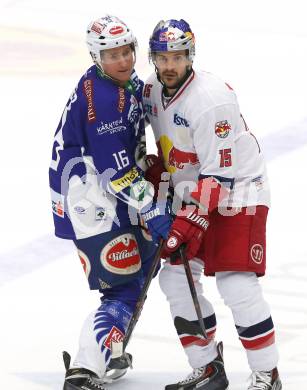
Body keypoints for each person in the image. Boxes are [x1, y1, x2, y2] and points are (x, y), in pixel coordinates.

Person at [144, 19, 282, 390]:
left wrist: (189, 222)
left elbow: (220, 178)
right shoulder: (152, 91)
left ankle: (267, 374)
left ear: (191, 55)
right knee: (176, 278)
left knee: (236, 283)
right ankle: (208, 367)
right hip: (195, 190)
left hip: (240, 192)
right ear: (153, 58)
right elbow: (166, 153)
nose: (169, 65)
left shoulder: (211, 99)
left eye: (177, 56)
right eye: (162, 57)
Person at [49, 15, 171, 390]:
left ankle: (108, 349)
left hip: (96, 191)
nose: (123, 60)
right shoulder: (102, 102)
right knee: (123, 286)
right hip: (91, 200)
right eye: (112, 54)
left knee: (144, 260)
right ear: (95, 55)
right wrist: (150, 207)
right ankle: (85, 368)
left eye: (126, 51)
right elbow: (113, 171)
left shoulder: (115, 79)